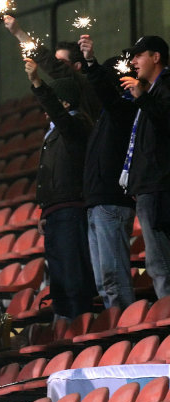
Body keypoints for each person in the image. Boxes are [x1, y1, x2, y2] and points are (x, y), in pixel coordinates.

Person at [25, 57, 96, 319]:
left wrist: (36, 83)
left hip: (70, 211)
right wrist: (46, 210)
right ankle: (68, 329)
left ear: (64, 103)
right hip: (57, 211)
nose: (46, 108)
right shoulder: (55, 132)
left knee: (71, 273)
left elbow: (59, 116)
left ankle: (80, 325)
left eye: (53, 101)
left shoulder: (75, 126)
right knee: (60, 276)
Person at [77, 34, 138, 309]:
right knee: (104, 281)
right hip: (97, 200)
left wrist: (91, 63)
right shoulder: (107, 113)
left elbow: (104, 91)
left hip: (111, 200)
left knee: (113, 276)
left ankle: (127, 324)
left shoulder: (125, 108)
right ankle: (117, 324)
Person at [118, 35, 170, 298]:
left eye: (140, 55)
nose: (134, 61)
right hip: (151, 186)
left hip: (160, 187)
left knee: (160, 263)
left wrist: (142, 98)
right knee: (158, 263)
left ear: (156, 57)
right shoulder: (150, 92)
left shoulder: (165, 86)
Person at [3, 15, 101, 120]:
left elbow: (50, 63)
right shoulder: (65, 93)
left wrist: (18, 33)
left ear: (77, 66)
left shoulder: (85, 85)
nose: (56, 64)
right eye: (56, 60)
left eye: (61, 62)